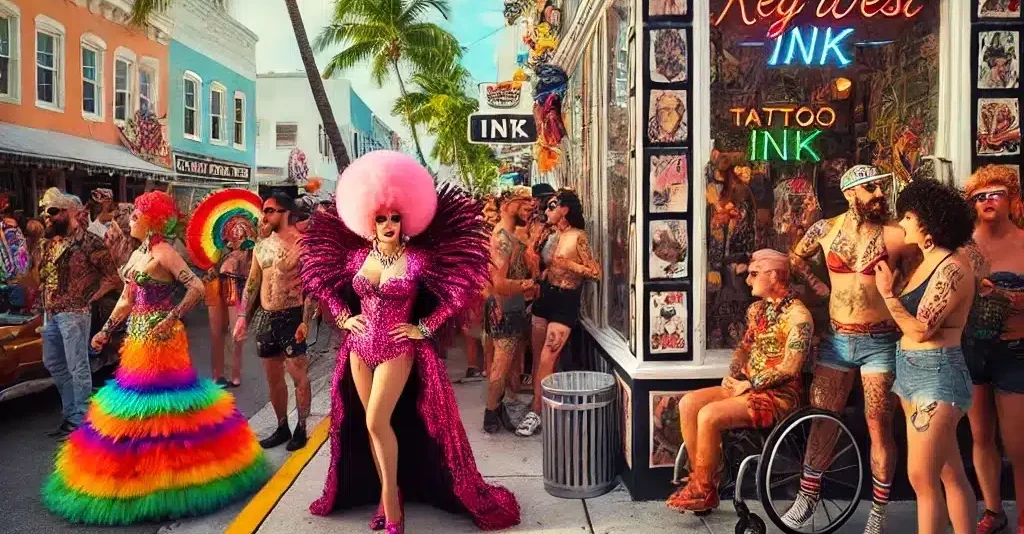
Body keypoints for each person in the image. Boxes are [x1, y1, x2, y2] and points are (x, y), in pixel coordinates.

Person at [300, 151, 519, 533]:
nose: (388, 224)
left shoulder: (417, 260)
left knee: (376, 419)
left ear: (406, 220)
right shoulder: (355, 258)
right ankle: (391, 495)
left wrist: (426, 327)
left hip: (396, 348)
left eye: (395, 217)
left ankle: (393, 513)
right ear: (369, 220)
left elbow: (458, 292)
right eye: (381, 218)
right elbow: (320, 281)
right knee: (371, 427)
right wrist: (342, 316)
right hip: (359, 348)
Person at [41, 191, 269, 525]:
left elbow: (195, 287)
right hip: (137, 340)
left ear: (153, 220)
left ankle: (174, 480)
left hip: (163, 342)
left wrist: (172, 316)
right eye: (132, 213)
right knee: (136, 412)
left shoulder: (164, 252)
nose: (130, 217)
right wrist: (106, 329)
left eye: (137, 213)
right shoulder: (137, 255)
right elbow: (125, 299)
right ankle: (140, 478)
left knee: (167, 411)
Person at [782, 165, 912, 533]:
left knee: (879, 426)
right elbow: (795, 257)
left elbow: (921, 269)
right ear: (851, 192)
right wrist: (817, 286)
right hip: (838, 339)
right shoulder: (826, 228)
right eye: (871, 188)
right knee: (823, 419)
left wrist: (900, 293)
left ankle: (879, 513)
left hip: (880, 341)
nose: (879, 194)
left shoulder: (896, 233)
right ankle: (806, 499)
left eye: (881, 188)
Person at [667, 249, 811, 512]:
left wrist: (751, 383)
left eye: (754, 274)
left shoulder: (799, 317)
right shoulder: (758, 310)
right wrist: (733, 376)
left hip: (777, 396)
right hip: (746, 385)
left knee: (709, 415)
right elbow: (744, 348)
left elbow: (791, 367)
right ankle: (707, 476)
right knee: (688, 403)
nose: (748, 280)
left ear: (775, 275)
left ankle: (703, 489)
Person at [872, 178, 977, 534]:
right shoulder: (926, 262)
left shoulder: (952, 267)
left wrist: (888, 295)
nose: (901, 224)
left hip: (938, 373)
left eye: (907, 217)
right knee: (949, 471)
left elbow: (919, 329)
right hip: (913, 372)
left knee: (922, 476)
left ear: (927, 223)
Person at [961, 165, 1024, 534]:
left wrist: (1001, 294)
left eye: (995, 193)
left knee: (1018, 444)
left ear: (1011, 198)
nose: (987, 201)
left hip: (1015, 350)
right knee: (981, 435)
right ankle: (993, 509)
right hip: (973, 349)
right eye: (979, 196)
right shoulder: (964, 244)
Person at [233, 192, 315, 452]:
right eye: (264, 210)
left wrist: (306, 322)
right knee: (273, 379)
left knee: (299, 376)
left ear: (286, 213)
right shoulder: (261, 246)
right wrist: (243, 316)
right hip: (266, 318)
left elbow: (312, 286)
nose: (264, 215)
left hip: (292, 317)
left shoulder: (303, 245)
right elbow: (253, 283)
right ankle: (282, 427)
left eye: (270, 210)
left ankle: (301, 428)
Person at [516, 189, 601, 437]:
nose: (547, 210)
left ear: (565, 209)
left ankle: (536, 412)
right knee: (538, 358)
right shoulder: (550, 235)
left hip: (566, 300)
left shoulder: (579, 237)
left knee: (548, 357)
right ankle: (539, 405)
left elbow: (596, 273)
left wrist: (570, 265)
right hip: (546, 297)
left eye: (552, 206)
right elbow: (539, 267)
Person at [37, 189, 120, 437]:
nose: (46, 216)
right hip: (51, 313)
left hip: (75, 313)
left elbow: (113, 278)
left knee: (77, 365)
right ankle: (71, 412)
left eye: (52, 211)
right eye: (44, 211)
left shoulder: (90, 242)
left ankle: (81, 419)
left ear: (70, 212)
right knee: (52, 362)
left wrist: (88, 297)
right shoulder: (52, 242)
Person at [484, 186, 536, 434]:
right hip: (505, 306)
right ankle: (490, 413)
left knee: (506, 364)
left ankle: (498, 407)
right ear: (507, 205)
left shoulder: (509, 235)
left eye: (530, 201)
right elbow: (499, 283)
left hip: (509, 305)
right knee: (501, 364)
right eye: (523, 202)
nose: (529, 206)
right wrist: (526, 284)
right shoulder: (503, 238)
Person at [210, 219, 254, 388]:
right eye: (237, 236)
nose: (241, 239)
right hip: (220, 291)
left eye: (244, 235)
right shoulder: (226, 255)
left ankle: (232, 374)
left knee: (235, 333)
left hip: (236, 292)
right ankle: (221, 374)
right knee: (221, 333)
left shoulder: (247, 255)